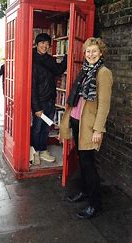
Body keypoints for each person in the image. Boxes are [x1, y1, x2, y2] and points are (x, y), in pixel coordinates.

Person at [60, 37, 113, 219]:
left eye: (94, 51)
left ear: (101, 53)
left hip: (89, 126)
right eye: (88, 51)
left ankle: (95, 204)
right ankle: (84, 191)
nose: (90, 54)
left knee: (89, 164)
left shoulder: (103, 72)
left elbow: (104, 104)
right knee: (82, 161)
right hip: (77, 121)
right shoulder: (85, 70)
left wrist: (98, 129)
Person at [31, 33, 67, 165]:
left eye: (47, 44)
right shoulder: (31, 59)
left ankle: (43, 149)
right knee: (37, 127)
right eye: (42, 43)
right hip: (39, 101)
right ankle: (34, 151)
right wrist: (36, 107)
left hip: (50, 100)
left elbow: (58, 70)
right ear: (37, 44)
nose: (45, 46)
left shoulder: (49, 59)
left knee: (46, 127)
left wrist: (67, 58)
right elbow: (32, 87)